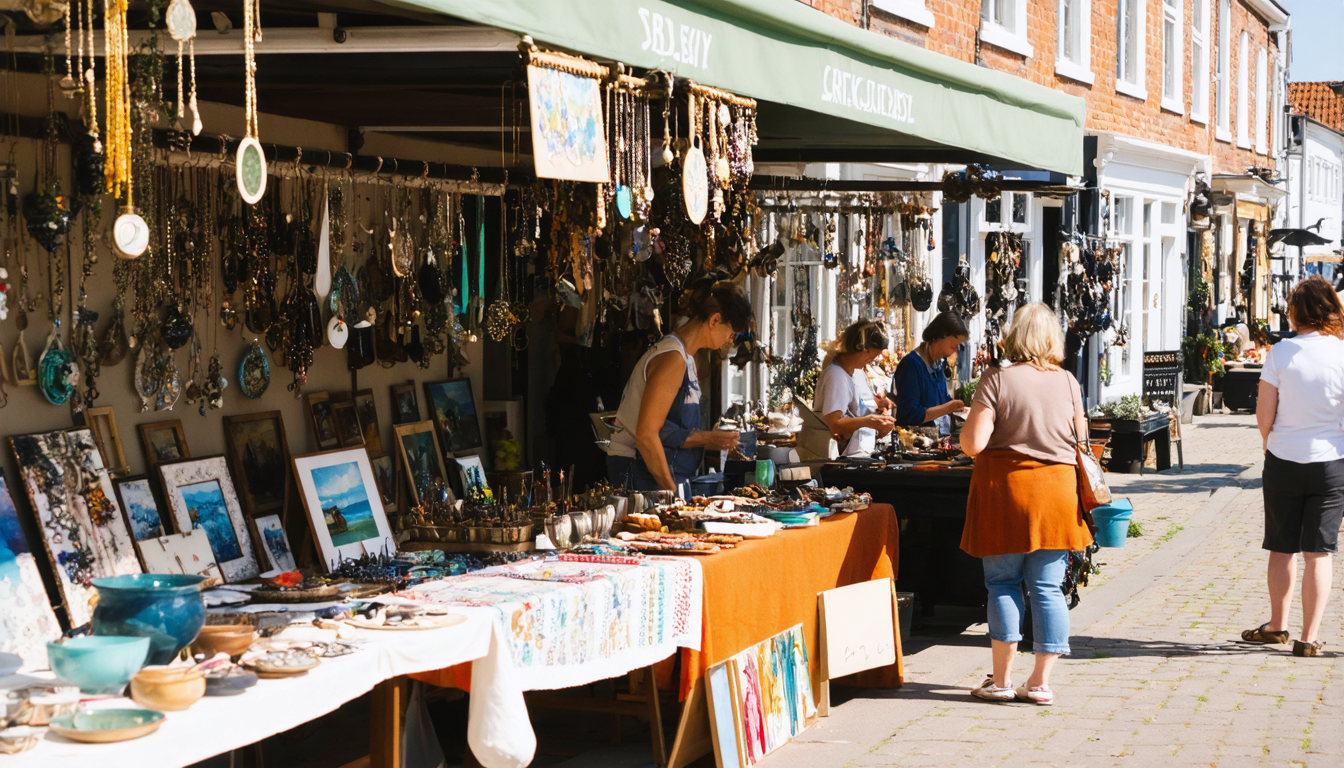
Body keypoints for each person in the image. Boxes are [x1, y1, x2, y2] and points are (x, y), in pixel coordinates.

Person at [959, 303, 1093, 706]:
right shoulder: (1068, 382)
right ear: (1053, 338)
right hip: (1055, 494)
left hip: (1007, 493)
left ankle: (1001, 680)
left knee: (1003, 583)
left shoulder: (997, 379)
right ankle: (1039, 682)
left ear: (1014, 335)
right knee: (1048, 587)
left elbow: (973, 444)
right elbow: (1082, 443)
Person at [1245, 276, 1344, 657]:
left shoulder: (1280, 354)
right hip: (1331, 463)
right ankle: (1309, 637)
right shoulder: (1339, 353)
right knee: (1319, 552)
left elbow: (1263, 414)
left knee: (1282, 547)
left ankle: (1276, 624)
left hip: (1285, 460)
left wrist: (1273, 445)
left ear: (1295, 313)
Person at [607, 273, 751, 495]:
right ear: (714, 320)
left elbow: (667, 429)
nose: (729, 341)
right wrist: (674, 494)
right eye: (731, 334)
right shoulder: (673, 358)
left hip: (655, 474)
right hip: (639, 472)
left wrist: (708, 440)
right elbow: (646, 435)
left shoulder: (685, 357)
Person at [813, 319, 896, 456]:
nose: (873, 360)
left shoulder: (856, 371)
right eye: (871, 357)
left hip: (859, 452)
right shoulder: (836, 376)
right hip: (841, 458)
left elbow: (858, 401)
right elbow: (834, 423)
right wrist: (869, 422)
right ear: (862, 350)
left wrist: (879, 404)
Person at [894, 312, 970, 431]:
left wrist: (957, 406)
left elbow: (940, 399)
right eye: (953, 346)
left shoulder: (937, 364)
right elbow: (909, 414)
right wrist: (948, 408)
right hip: (917, 442)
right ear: (940, 336)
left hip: (938, 439)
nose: (955, 350)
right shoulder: (911, 365)